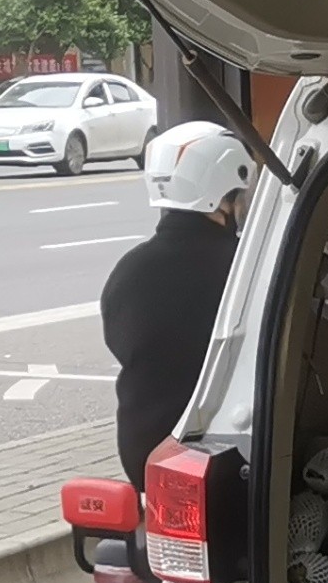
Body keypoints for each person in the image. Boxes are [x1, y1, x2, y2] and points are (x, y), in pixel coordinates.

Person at [103, 119, 256, 487]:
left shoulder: (129, 269)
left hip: (144, 456)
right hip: (225, 462)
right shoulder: (245, 269)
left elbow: (123, 346)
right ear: (222, 199)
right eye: (240, 194)